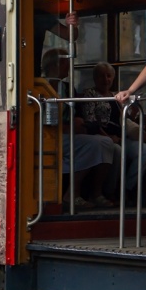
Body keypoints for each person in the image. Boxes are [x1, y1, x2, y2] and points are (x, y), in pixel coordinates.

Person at [42, 49, 116, 210]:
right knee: (100, 144)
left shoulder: (68, 87)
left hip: (71, 134)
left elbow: (76, 113)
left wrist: (79, 124)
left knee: (104, 143)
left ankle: (94, 193)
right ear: (58, 63)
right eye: (66, 62)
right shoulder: (42, 87)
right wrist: (66, 127)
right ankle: (73, 194)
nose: (69, 67)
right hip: (50, 137)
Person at [81, 62, 146, 199]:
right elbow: (90, 121)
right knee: (116, 150)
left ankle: (127, 189)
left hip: (121, 137)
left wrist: (132, 119)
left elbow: (124, 120)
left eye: (108, 76)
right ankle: (110, 192)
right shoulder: (90, 94)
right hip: (102, 137)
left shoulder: (116, 96)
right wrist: (108, 137)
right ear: (95, 78)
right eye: (101, 76)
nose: (105, 79)